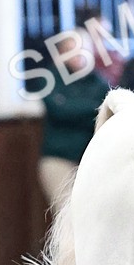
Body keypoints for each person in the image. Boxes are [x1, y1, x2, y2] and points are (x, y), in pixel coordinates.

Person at [38, 29, 109, 213]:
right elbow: (60, 110)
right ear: (61, 54)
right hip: (59, 160)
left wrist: (74, 107)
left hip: (90, 162)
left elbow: (105, 111)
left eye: (83, 48)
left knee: (94, 215)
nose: (78, 54)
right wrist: (92, 108)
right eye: (71, 49)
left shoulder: (99, 82)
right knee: (68, 215)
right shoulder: (49, 78)